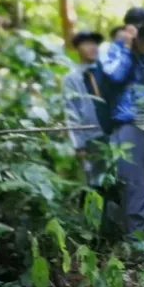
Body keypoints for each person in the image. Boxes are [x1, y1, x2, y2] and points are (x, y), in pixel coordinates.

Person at [99, 7, 144, 234]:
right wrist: (129, 49)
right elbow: (115, 76)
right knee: (134, 184)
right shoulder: (115, 51)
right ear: (127, 26)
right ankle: (135, 240)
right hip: (129, 124)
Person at [63, 30, 107, 186]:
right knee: (96, 183)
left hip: (114, 134)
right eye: (87, 44)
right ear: (78, 48)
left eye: (94, 44)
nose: (92, 47)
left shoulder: (107, 71)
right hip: (91, 137)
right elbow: (71, 111)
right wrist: (79, 144)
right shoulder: (72, 78)